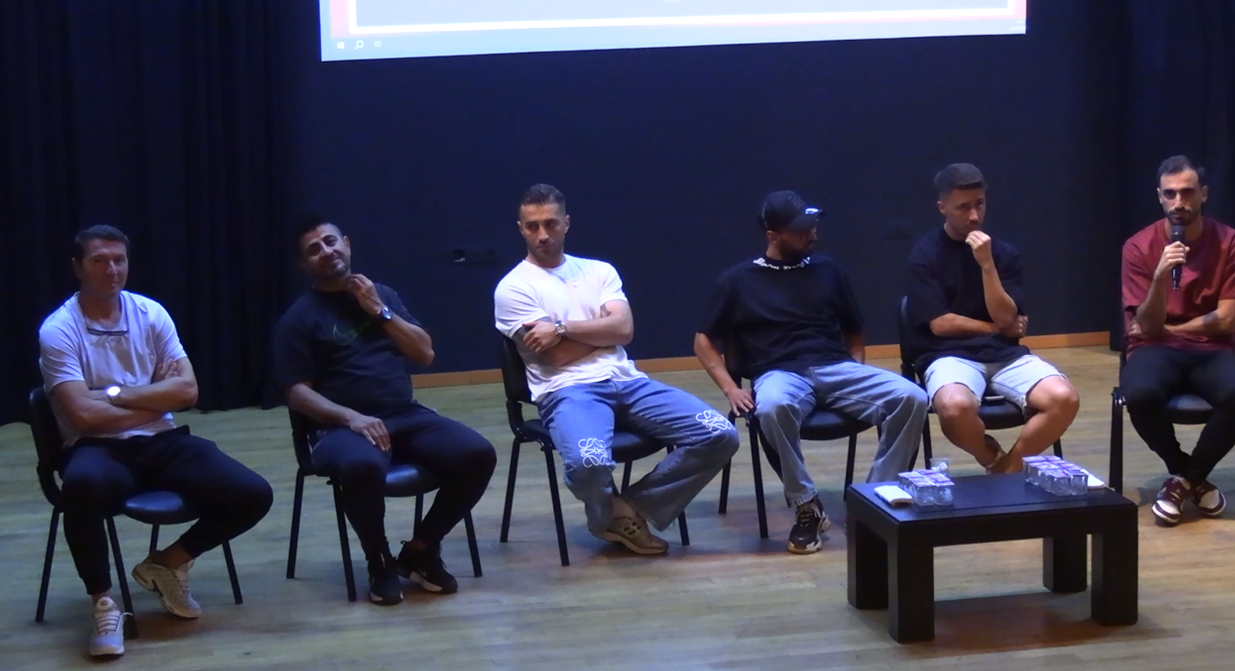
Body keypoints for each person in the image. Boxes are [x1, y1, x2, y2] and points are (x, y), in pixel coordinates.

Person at [38, 224, 274, 659]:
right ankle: (104, 604)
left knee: (253, 493)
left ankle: (167, 562)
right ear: (77, 267)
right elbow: (83, 416)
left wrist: (112, 394)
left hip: (162, 441)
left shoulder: (150, 314)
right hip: (96, 447)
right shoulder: (59, 329)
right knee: (81, 487)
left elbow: (188, 391)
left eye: (119, 260)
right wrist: (154, 396)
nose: (112, 269)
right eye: (99, 261)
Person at [493, 184, 739, 556]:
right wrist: (603, 334)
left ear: (566, 223)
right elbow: (556, 358)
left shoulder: (599, 271)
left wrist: (561, 327)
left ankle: (626, 510)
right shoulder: (512, 288)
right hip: (567, 390)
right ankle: (606, 518)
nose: (542, 234)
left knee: (720, 434)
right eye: (532, 226)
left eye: (550, 223)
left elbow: (624, 330)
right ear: (520, 229)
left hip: (628, 382)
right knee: (589, 463)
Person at [275, 215, 496, 605]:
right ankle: (378, 561)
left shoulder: (382, 295)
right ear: (304, 265)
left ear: (347, 244)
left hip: (404, 414)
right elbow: (296, 393)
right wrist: (352, 418)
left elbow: (424, 354)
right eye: (314, 249)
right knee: (362, 466)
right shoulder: (299, 319)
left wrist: (380, 311)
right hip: (339, 428)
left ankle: (420, 550)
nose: (326, 251)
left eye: (330, 241)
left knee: (478, 454)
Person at [694, 190, 928, 554]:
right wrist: (730, 389)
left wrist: (856, 368)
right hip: (778, 373)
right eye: (802, 230)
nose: (812, 234)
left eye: (813, 226)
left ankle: (873, 502)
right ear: (773, 236)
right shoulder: (738, 280)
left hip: (835, 367)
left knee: (912, 397)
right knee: (771, 408)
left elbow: (854, 329)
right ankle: (807, 506)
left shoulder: (828, 270)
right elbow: (703, 340)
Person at [905, 163, 1079, 475]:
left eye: (980, 204)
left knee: (1064, 398)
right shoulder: (925, 254)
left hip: (1005, 354)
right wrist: (996, 327)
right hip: (948, 355)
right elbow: (940, 324)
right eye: (963, 207)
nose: (974, 216)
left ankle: (1007, 471)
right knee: (954, 407)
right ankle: (991, 458)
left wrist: (986, 265)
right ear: (942, 208)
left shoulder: (1003, 254)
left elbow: (1007, 316)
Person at [1121, 155, 1235, 526]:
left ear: (1204, 194)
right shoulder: (1138, 246)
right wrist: (1159, 277)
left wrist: (1170, 330)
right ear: (1159, 197)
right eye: (1170, 194)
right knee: (1139, 394)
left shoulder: (1230, 242)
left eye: (1187, 192)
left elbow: (1227, 319)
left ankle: (1182, 481)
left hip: (1213, 349)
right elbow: (1147, 326)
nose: (1179, 202)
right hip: (1154, 350)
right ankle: (1190, 476)